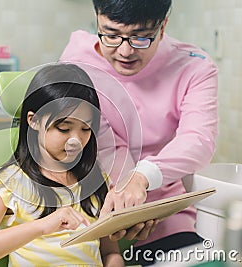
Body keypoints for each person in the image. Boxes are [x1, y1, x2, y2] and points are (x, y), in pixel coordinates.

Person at [60, 0, 218, 265]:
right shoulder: (77, 61)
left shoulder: (195, 67)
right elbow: (107, 142)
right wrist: (128, 201)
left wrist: (143, 178)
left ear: (163, 25)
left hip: (165, 212)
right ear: (97, 18)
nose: (124, 51)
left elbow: (198, 139)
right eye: (111, 35)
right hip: (92, 207)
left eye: (140, 37)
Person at [0, 63, 125, 267]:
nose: (76, 140)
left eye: (85, 129)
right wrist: (41, 227)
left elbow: (109, 252)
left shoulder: (96, 181)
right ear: (33, 121)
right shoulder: (11, 183)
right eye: (63, 128)